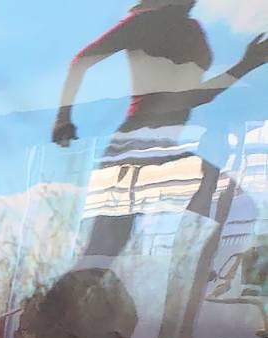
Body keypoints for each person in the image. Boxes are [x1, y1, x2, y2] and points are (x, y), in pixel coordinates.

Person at [54, 2, 268, 261]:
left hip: (161, 147)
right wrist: (62, 119)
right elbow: (81, 61)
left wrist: (247, 64)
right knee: (102, 252)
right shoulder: (146, 23)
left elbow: (191, 97)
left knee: (237, 210)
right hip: (137, 144)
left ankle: (205, 284)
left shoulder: (191, 30)